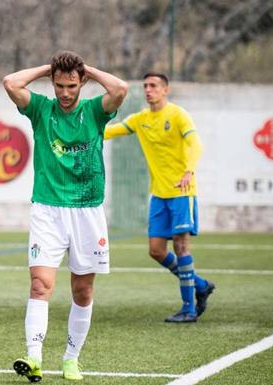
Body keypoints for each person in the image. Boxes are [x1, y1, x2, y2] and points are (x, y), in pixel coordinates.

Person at [2, 51, 128, 382]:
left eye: (71, 85)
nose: (65, 92)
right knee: (40, 284)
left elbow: (120, 89)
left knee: (82, 291)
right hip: (47, 209)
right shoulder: (42, 109)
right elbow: (10, 82)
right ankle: (33, 357)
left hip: (88, 210)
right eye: (59, 85)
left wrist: (89, 69)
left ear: (82, 82)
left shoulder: (94, 112)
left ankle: (71, 359)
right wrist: (47, 69)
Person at [104, 73, 215, 323]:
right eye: (145, 86)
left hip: (182, 191)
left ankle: (188, 308)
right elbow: (110, 132)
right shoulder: (141, 119)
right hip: (159, 194)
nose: (148, 90)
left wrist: (189, 170)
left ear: (166, 89)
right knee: (155, 250)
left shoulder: (178, 115)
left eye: (153, 86)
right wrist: (83, 128)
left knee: (181, 246)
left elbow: (195, 144)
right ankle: (200, 284)